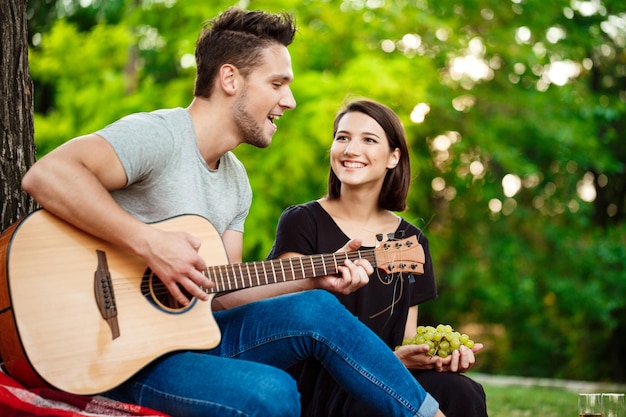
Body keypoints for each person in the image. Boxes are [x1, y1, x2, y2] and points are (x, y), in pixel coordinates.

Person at [21, 7, 447, 417]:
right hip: (114, 352)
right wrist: (149, 243)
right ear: (230, 78)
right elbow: (48, 175)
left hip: (188, 338)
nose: (290, 100)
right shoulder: (160, 135)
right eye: (278, 83)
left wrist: (313, 277)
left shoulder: (236, 180)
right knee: (272, 391)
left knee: (317, 306)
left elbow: (223, 294)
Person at [267, 98, 489, 416]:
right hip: (321, 387)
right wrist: (389, 365)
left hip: (387, 379)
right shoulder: (302, 221)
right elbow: (283, 316)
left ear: (393, 157)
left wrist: (431, 357)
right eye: (342, 137)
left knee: (461, 391)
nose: (350, 149)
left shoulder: (411, 241)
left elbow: (406, 339)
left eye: (368, 140)